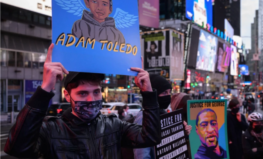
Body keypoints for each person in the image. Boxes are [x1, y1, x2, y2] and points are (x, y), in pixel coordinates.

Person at [4, 44, 160, 158]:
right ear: (67, 95)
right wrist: (44, 89)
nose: (91, 99)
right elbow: (17, 148)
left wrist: (148, 94)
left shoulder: (114, 125)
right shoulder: (51, 129)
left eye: (96, 92)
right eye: (83, 93)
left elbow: (150, 137)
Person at [133, 74, 173, 159]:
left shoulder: (163, 112)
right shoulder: (144, 117)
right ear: (154, 93)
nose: (168, 96)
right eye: (164, 92)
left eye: (170, 92)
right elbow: (142, 155)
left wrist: (183, 132)